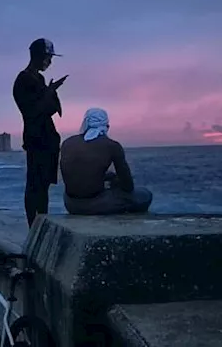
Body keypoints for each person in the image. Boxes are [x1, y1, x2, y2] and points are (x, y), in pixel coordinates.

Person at [13, 37, 67, 226]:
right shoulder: (23, 79)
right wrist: (49, 92)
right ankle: (33, 225)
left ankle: (42, 222)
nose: (49, 62)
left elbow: (49, 108)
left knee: (43, 184)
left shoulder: (38, 78)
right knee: (35, 183)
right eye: (47, 57)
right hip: (36, 138)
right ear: (38, 57)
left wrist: (50, 92)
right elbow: (32, 110)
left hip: (46, 138)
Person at [60, 108, 152, 215]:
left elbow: (79, 174)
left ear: (85, 123)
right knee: (145, 195)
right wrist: (116, 181)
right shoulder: (112, 146)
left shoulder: (67, 143)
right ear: (106, 126)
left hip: (70, 204)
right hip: (95, 205)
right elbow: (128, 186)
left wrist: (104, 177)